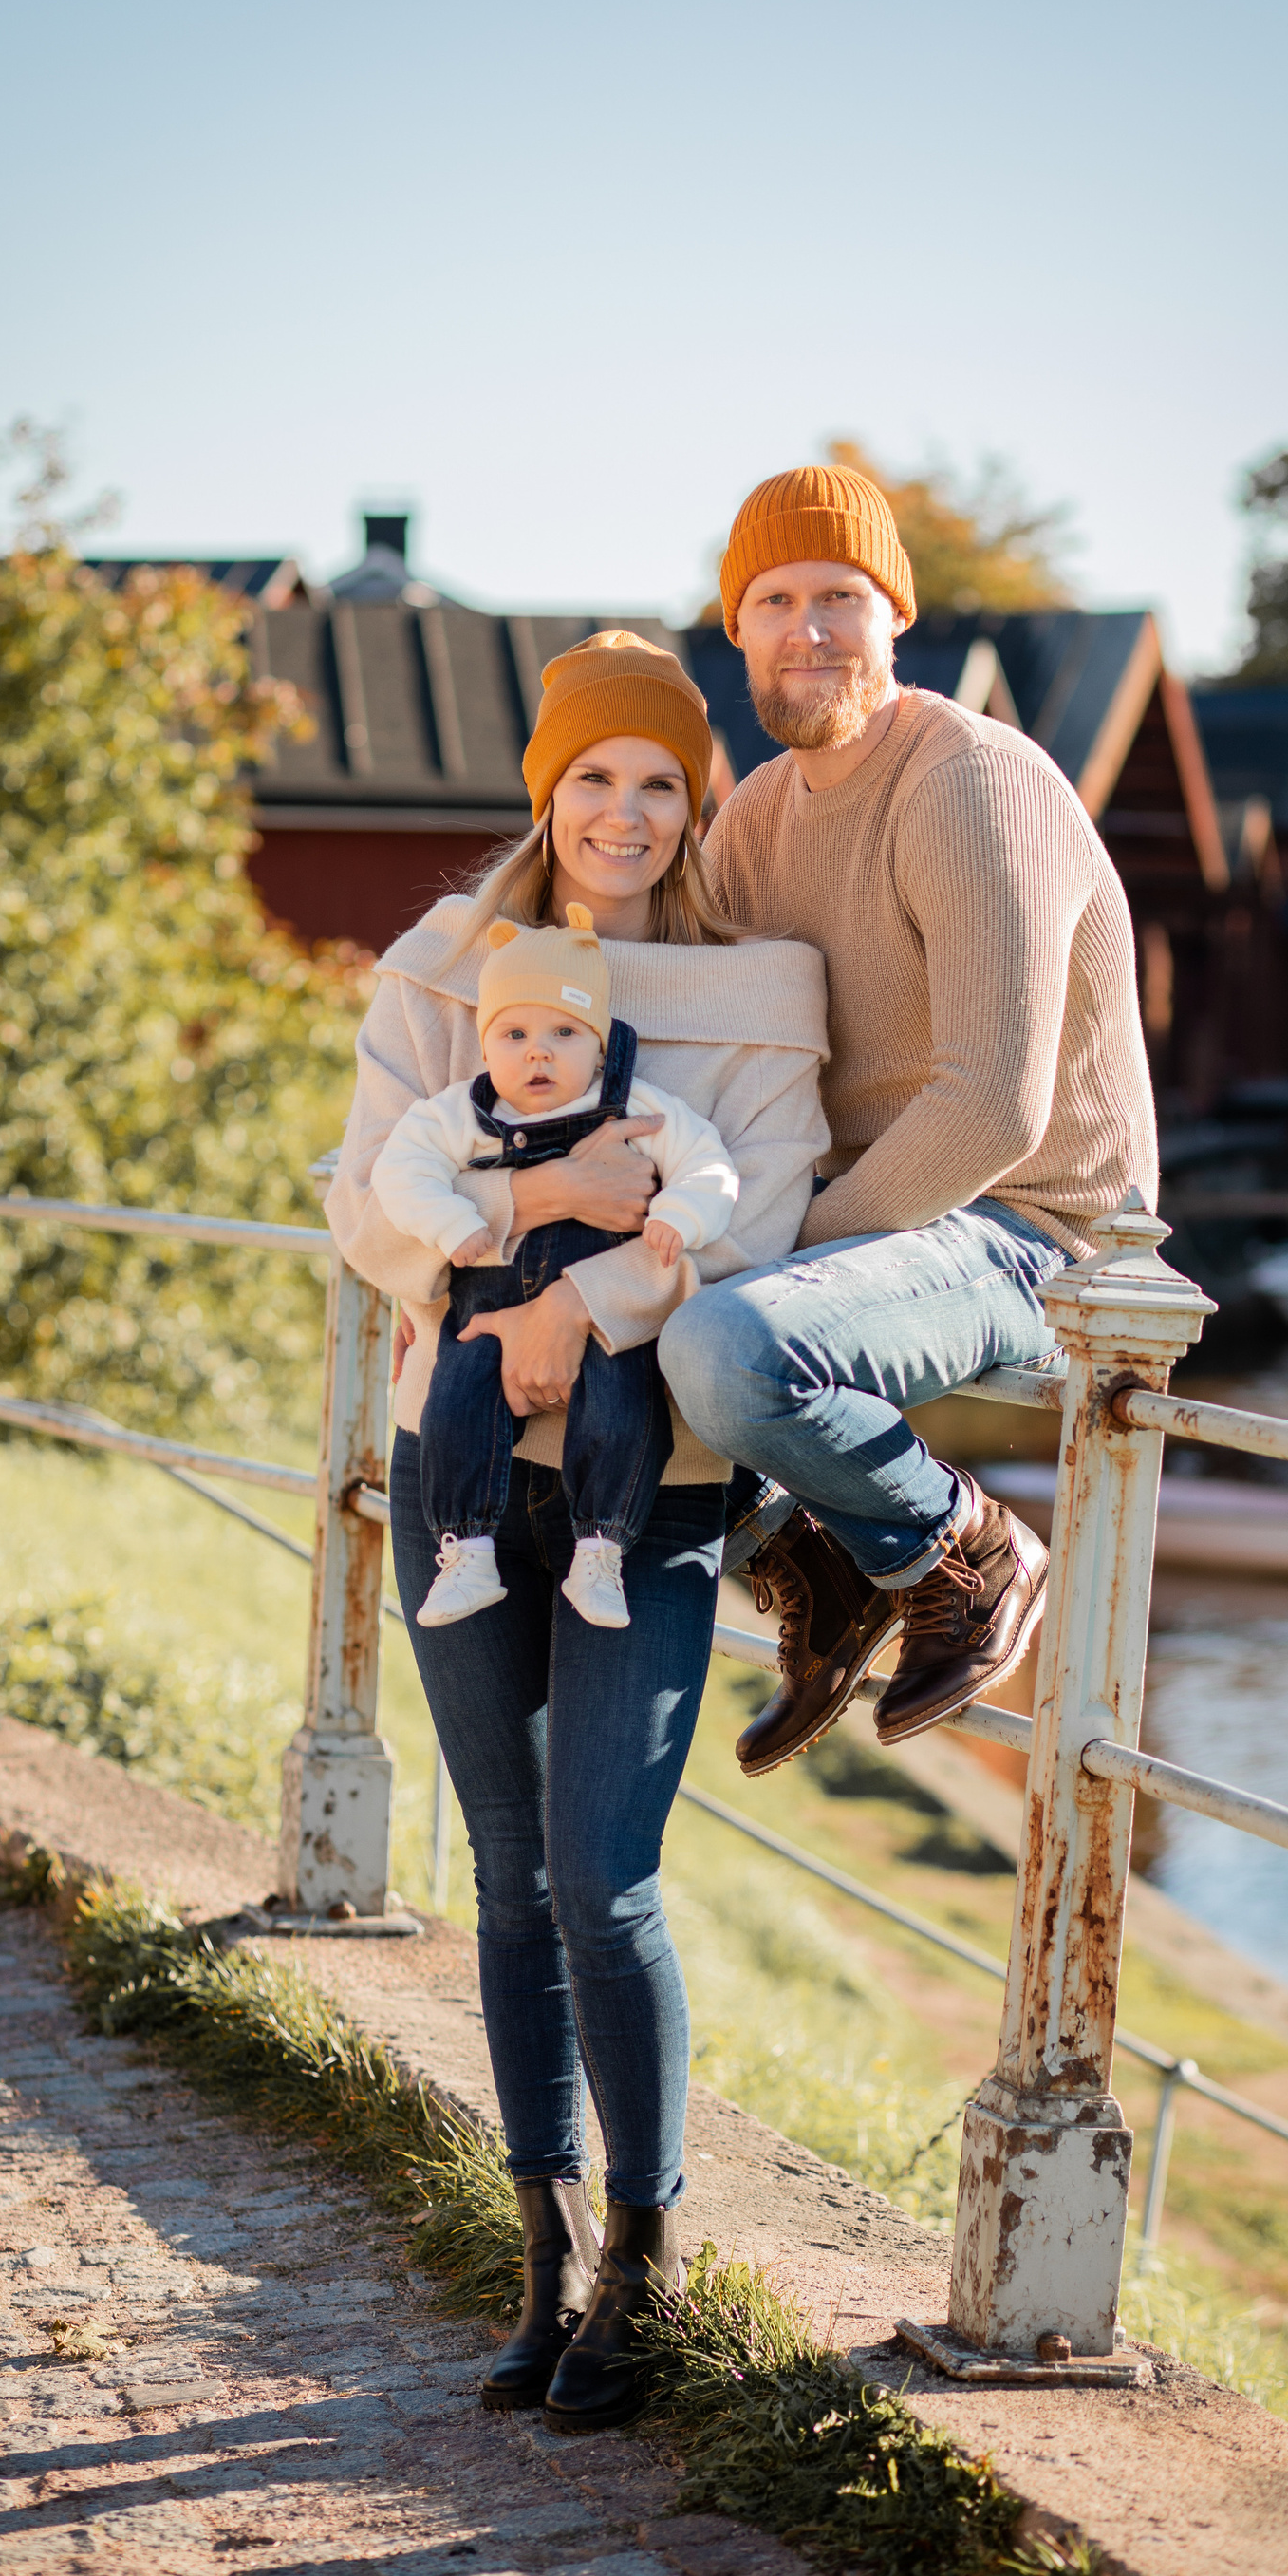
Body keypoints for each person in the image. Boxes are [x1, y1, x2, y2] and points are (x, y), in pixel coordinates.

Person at [325, 630, 828, 2434]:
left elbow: (765, 1220)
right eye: (592, 778)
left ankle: (645, 2260)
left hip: (654, 1482)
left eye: (660, 782)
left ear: (698, 802)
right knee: (510, 1875)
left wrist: (565, 1308)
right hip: (458, 1475)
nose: (624, 813)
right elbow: (362, 1210)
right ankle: (538, 2256)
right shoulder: (441, 968)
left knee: (606, 1879)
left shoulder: (764, 987)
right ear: (547, 791)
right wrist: (543, 1194)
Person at [660, 462, 1158, 1775]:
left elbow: (993, 1108)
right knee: (610, 1299)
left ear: (897, 615)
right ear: (738, 630)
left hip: (1041, 1234)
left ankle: (966, 1551)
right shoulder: (755, 819)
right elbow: (704, 1056)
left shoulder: (970, 780)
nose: (810, 630)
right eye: (777, 601)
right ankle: (820, 1570)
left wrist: (774, 1246)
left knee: (723, 1343)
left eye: (842, 596)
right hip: (894, 1235)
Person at [371, 903, 739, 1631]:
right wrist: (451, 1222)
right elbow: (399, 1172)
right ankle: (465, 1551)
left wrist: (679, 1215)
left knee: (624, 1407)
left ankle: (601, 1551)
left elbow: (708, 1165)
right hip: (487, 1305)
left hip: (602, 1316)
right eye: (514, 1035)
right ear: (487, 1042)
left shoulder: (634, 1107)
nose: (537, 1054)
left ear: (597, 1042)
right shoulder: (462, 1114)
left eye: (563, 1033)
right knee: (457, 1402)